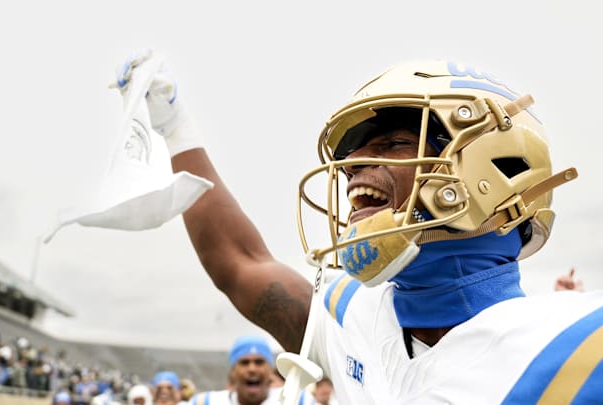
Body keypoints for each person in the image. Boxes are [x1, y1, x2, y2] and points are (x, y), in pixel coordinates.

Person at [117, 52, 602, 404]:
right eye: (349, 159)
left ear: (491, 170)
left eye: (391, 142)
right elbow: (241, 263)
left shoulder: (580, 348)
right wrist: (177, 129)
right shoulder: (357, 315)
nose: (352, 167)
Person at [189, 336, 313, 405]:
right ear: (233, 371)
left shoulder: (297, 401)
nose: (252, 369)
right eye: (244, 362)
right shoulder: (204, 402)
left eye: (259, 362)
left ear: (270, 370)